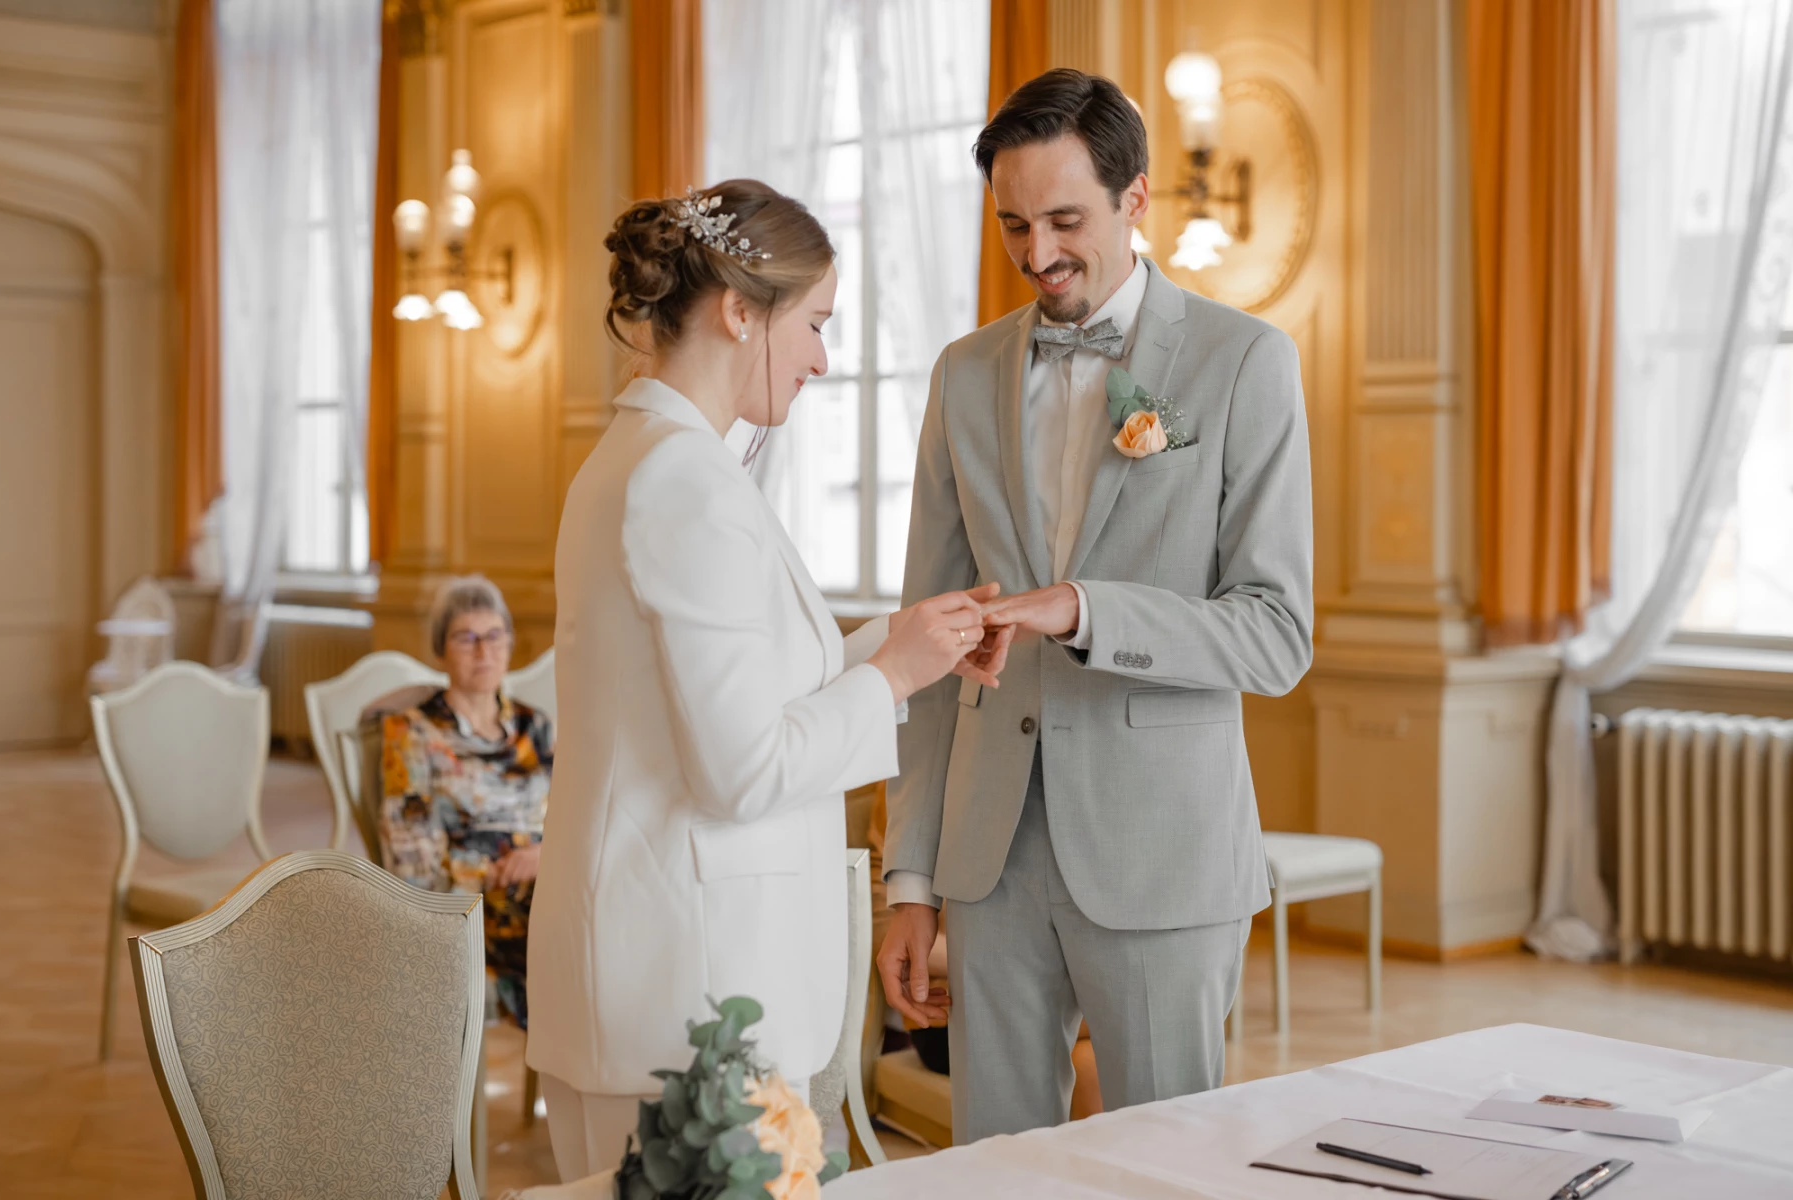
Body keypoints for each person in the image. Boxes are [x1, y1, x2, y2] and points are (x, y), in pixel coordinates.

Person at [525, 179, 1008, 1181]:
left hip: (658, 969)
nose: (826, 358)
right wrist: (891, 678)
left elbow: (739, 687)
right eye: (817, 322)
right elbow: (743, 766)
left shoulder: (646, 459)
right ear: (740, 310)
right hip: (690, 991)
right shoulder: (683, 482)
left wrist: (907, 641)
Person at [877, 68, 1314, 1144]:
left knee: (1170, 1162)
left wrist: (1085, 610)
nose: (1037, 255)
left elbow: (1276, 633)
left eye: (1065, 219)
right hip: (989, 860)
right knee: (993, 1166)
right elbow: (929, 640)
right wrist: (911, 874)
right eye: (1013, 225)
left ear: (1137, 201)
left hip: (1162, 853)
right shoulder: (962, 375)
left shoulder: (1244, 360)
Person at [375, 574, 551, 1029]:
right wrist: (497, 872)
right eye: (466, 638)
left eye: (495, 636)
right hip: (473, 911)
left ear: (510, 643)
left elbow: (577, 821)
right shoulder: (412, 732)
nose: (483, 651)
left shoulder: (537, 727)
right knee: (594, 942)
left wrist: (546, 857)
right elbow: (412, 863)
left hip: (551, 887)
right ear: (440, 650)